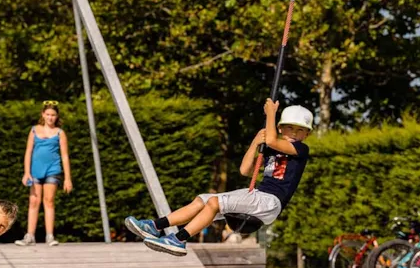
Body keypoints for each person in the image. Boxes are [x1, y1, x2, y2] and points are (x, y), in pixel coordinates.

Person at [125, 99, 312, 256]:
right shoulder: (271, 150)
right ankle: (155, 226)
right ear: (281, 129)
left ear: (307, 134)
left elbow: (271, 139)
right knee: (202, 200)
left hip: (270, 202)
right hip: (257, 194)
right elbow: (245, 170)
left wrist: (271, 113)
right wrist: (255, 143)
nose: (294, 133)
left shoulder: (301, 149)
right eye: (290, 128)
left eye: (300, 130)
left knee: (214, 202)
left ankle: (178, 240)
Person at [15, 100, 73, 247]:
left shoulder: (60, 133)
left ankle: (49, 236)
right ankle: (30, 236)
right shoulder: (34, 130)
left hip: (52, 170)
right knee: (34, 201)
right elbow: (28, 152)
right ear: (43, 114)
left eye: (53, 115)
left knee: (49, 201)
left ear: (57, 116)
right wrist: (26, 172)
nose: (50, 117)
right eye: (47, 114)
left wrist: (67, 178)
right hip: (35, 171)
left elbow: (65, 156)